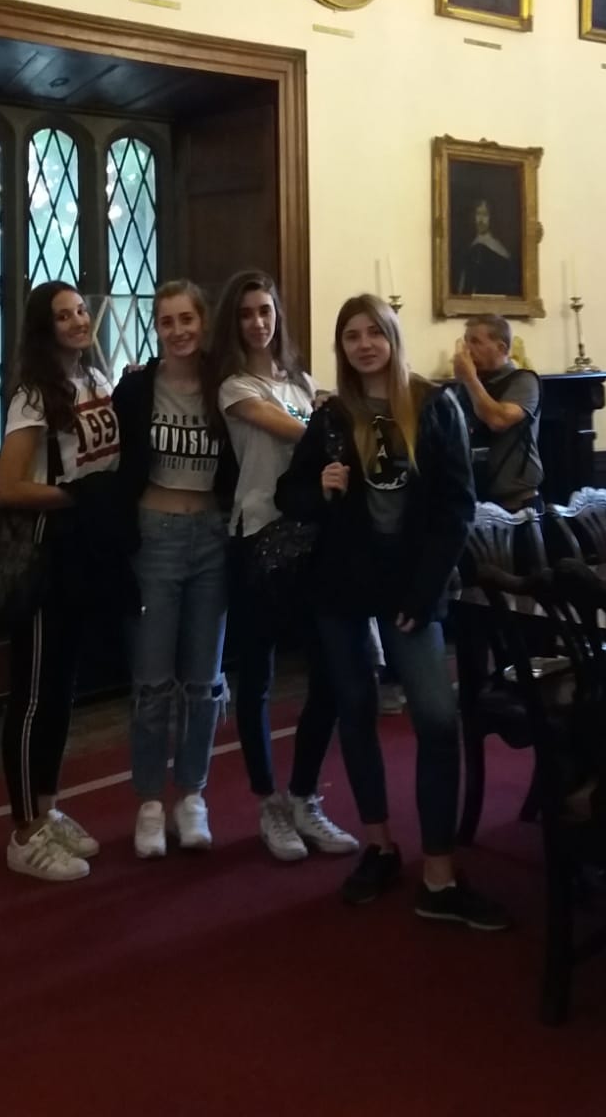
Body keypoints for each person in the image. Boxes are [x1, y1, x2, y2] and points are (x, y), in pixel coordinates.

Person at [276, 293, 509, 928]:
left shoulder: (436, 405)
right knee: (355, 711)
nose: (363, 345)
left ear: (392, 337)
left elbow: (457, 506)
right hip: (342, 588)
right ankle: (378, 846)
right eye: (351, 336)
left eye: (373, 332)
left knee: (435, 717)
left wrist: (425, 590)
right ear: (341, 347)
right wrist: (317, 487)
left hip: (412, 590)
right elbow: (289, 493)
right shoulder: (331, 417)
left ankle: (439, 874)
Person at [211, 268, 358, 863]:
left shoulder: (301, 379)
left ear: (278, 315)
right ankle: (267, 801)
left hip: (312, 538)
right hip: (257, 535)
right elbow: (302, 435)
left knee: (329, 672)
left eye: (265, 311)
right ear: (235, 321)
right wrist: (331, 423)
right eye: (247, 313)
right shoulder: (234, 386)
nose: (257, 322)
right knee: (258, 679)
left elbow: (329, 432)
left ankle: (303, 796)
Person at [0, 281, 123, 882]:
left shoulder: (96, 380)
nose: (77, 321)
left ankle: (47, 809)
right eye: (63, 315)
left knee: (63, 688)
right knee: (33, 696)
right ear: (44, 329)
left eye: (81, 311)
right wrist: (75, 497)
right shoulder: (32, 396)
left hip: (84, 554)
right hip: (45, 554)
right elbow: (8, 487)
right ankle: (24, 833)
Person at [113, 280, 233, 859]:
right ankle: (148, 801)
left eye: (187, 319)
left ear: (203, 322)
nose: (179, 331)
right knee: (153, 680)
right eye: (167, 321)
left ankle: (191, 794)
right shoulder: (137, 387)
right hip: (156, 535)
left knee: (203, 680)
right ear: (156, 327)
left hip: (213, 536)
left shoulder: (225, 384)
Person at [452, 313, 543, 512]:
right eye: (466, 341)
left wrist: (470, 379)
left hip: (517, 506)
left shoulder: (524, 380)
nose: (467, 349)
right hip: (474, 501)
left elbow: (498, 420)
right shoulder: (470, 385)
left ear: (501, 348)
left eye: (475, 341)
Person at [456, 198, 517, 296]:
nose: (481, 220)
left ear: (491, 217)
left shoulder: (500, 251)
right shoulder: (468, 246)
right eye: (478, 214)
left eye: (485, 215)